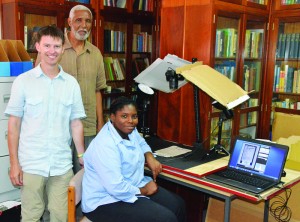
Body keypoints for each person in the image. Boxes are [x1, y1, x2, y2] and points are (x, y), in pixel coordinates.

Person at [5, 25, 86, 222]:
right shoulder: (23, 81)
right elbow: (13, 126)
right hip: (31, 163)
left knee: (60, 216)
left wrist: (82, 155)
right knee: (31, 216)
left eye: (56, 46)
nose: (52, 51)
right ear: (38, 46)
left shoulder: (71, 84)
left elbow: (76, 123)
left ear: (62, 47)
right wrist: (14, 164)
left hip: (61, 165)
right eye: (47, 45)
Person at [82, 96, 186, 222]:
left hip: (132, 186)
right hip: (106, 201)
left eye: (134, 116)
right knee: (166, 218)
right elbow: (116, 187)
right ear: (112, 117)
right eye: (124, 116)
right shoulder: (105, 145)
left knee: (178, 205)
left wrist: (149, 156)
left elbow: (141, 142)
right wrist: (144, 191)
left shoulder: (129, 130)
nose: (130, 121)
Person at [35, 5, 107, 173]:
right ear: (69, 22)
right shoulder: (53, 50)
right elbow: (38, 84)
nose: (84, 25)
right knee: (60, 178)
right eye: (78, 20)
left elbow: (98, 90)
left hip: (88, 125)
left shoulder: (96, 54)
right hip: (58, 126)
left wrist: (100, 123)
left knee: (86, 177)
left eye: (88, 21)